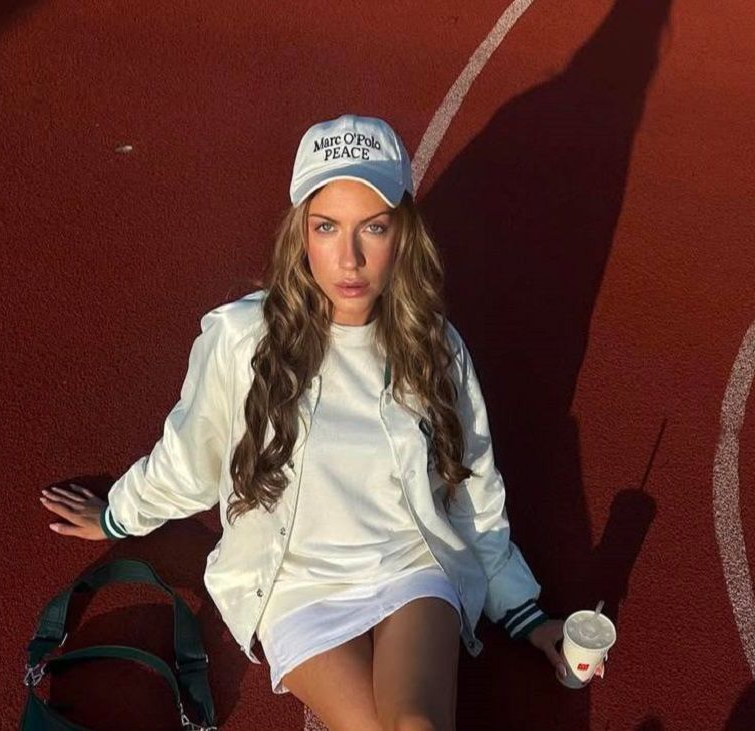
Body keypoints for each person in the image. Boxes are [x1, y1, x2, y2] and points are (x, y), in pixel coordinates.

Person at [39, 113, 568, 730]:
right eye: (326, 227)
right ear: (301, 234)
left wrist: (526, 613)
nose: (350, 258)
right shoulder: (241, 339)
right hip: (296, 583)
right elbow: (188, 456)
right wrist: (116, 515)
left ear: (402, 234)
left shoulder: (435, 346)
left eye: (373, 228)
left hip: (409, 565)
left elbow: (473, 482)